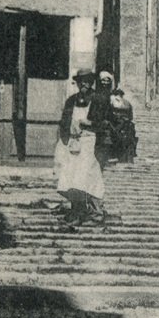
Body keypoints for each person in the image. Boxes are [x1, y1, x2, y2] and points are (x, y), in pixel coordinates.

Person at [54, 68, 107, 224]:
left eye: (88, 81)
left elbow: (105, 123)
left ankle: (95, 212)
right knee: (70, 177)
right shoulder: (71, 100)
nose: (85, 84)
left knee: (87, 176)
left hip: (90, 142)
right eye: (81, 81)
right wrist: (66, 133)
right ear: (77, 83)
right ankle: (77, 211)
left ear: (92, 82)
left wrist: (89, 123)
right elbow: (63, 121)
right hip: (73, 143)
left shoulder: (98, 99)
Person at [109, 85, 137, 163]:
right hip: (126, 124)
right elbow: (131, 116)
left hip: (119, 124)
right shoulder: (127, 102)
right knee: (129, 140)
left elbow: (111, 114)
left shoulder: (114, 101)